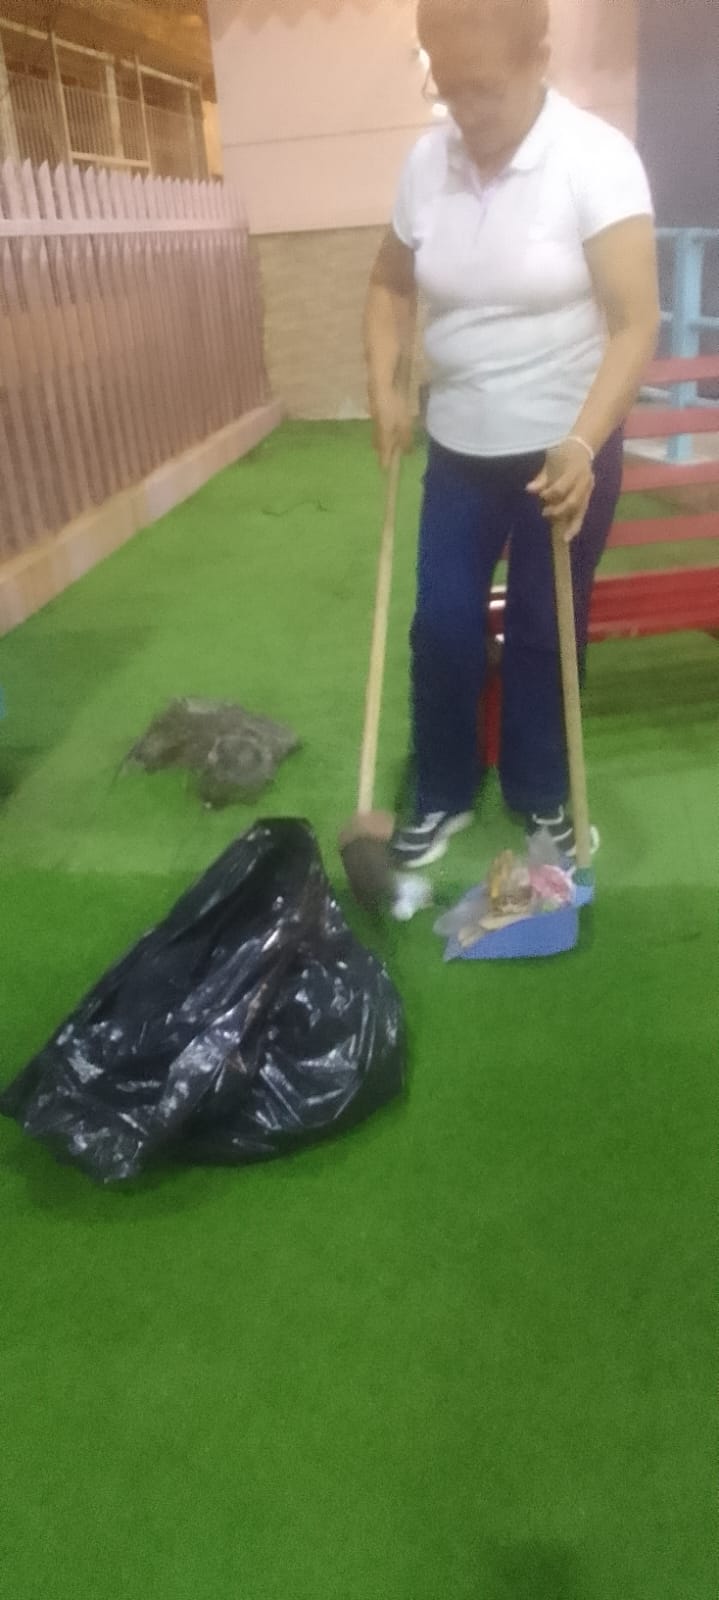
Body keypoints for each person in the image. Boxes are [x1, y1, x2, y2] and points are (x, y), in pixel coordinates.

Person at [364, 0, 660, 868]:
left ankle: (540, 794)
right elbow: (388, 285)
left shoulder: (594, 158)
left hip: (564, 449)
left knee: (542, 629)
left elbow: (634, 323)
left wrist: (581, 443)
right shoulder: (426, 163)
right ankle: (441, 789)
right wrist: (384, 382)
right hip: (460, 449)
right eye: (447, 87)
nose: (465, 110)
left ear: (538, 59)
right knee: (443, 625)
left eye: (483, 88)